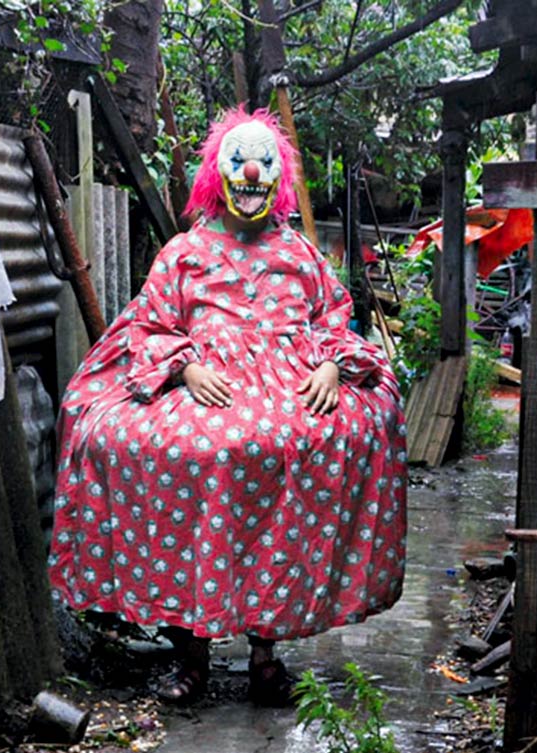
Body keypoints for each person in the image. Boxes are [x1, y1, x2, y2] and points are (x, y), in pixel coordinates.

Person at [49, 108, 407, 705]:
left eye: (265, 162)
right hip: (204, 385)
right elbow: (152, 324)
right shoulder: (185, 252)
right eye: (239, 161)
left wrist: (329, 365)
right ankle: (188, 653)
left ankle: (266, 654)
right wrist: (186, 366)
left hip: (288, 386)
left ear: (279, 177)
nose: (251, 172)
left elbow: (334, 319)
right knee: (157, 449)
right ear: (218, 173)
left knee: (310, 449)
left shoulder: (299, 254)